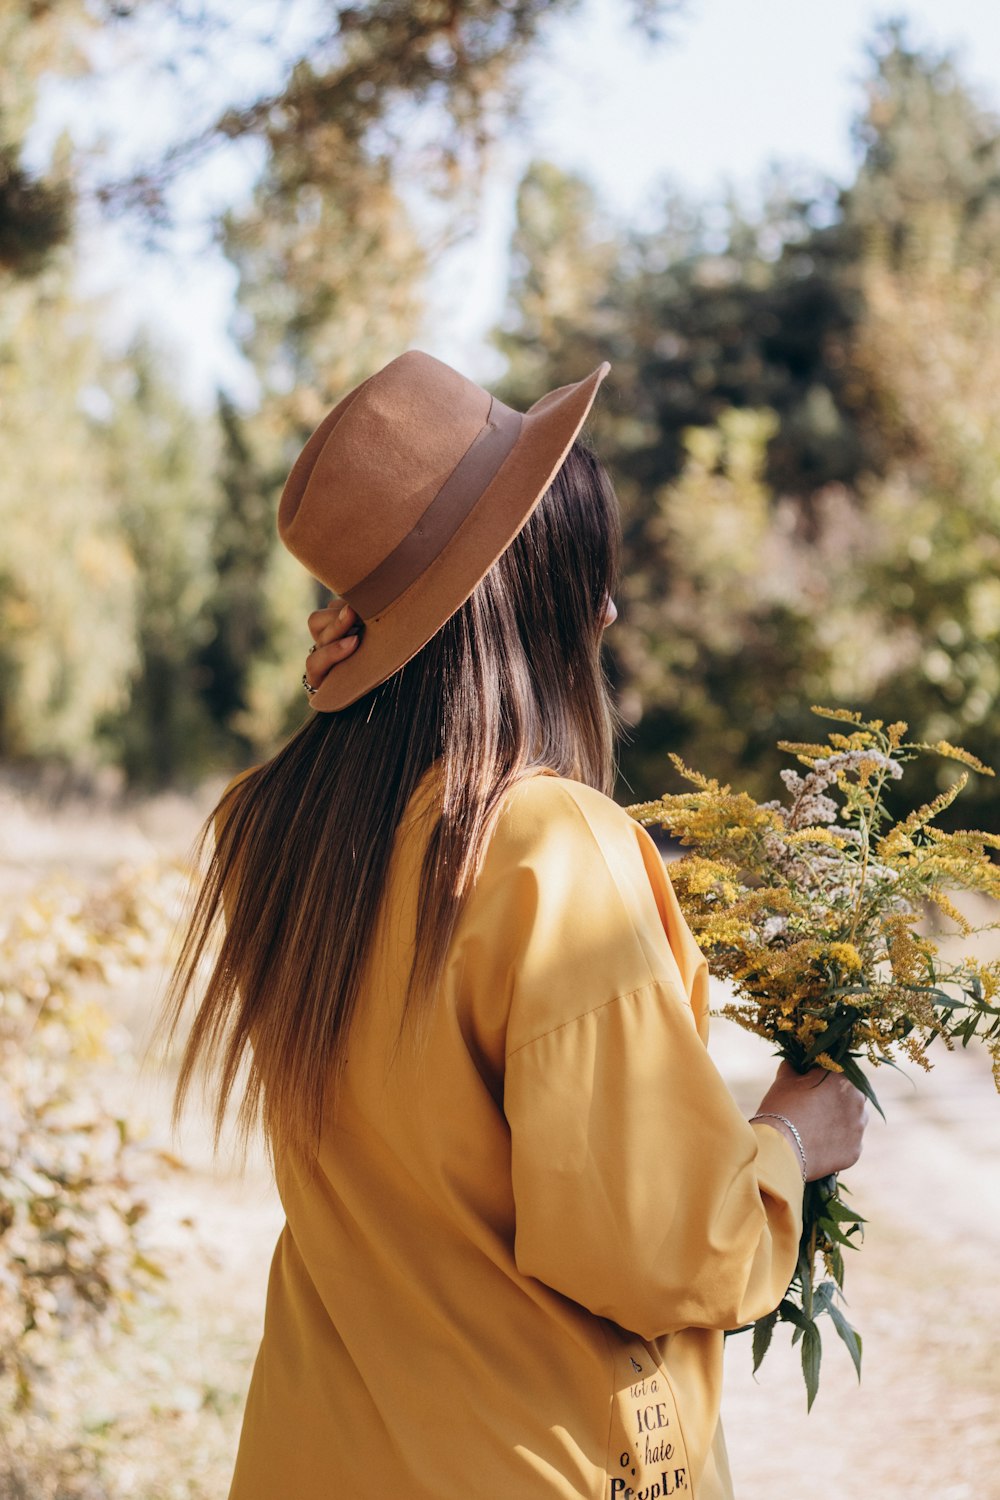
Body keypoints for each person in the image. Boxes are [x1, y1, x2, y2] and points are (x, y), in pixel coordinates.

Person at [160, 350, 868, 1500]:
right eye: (590, 576)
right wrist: (791, 1145)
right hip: (523, 1462)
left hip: (313, 1454)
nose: (609, 609)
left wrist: (364, 690)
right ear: (532, 599)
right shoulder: (549, 850)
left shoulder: (268, 837)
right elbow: (657, 1245)